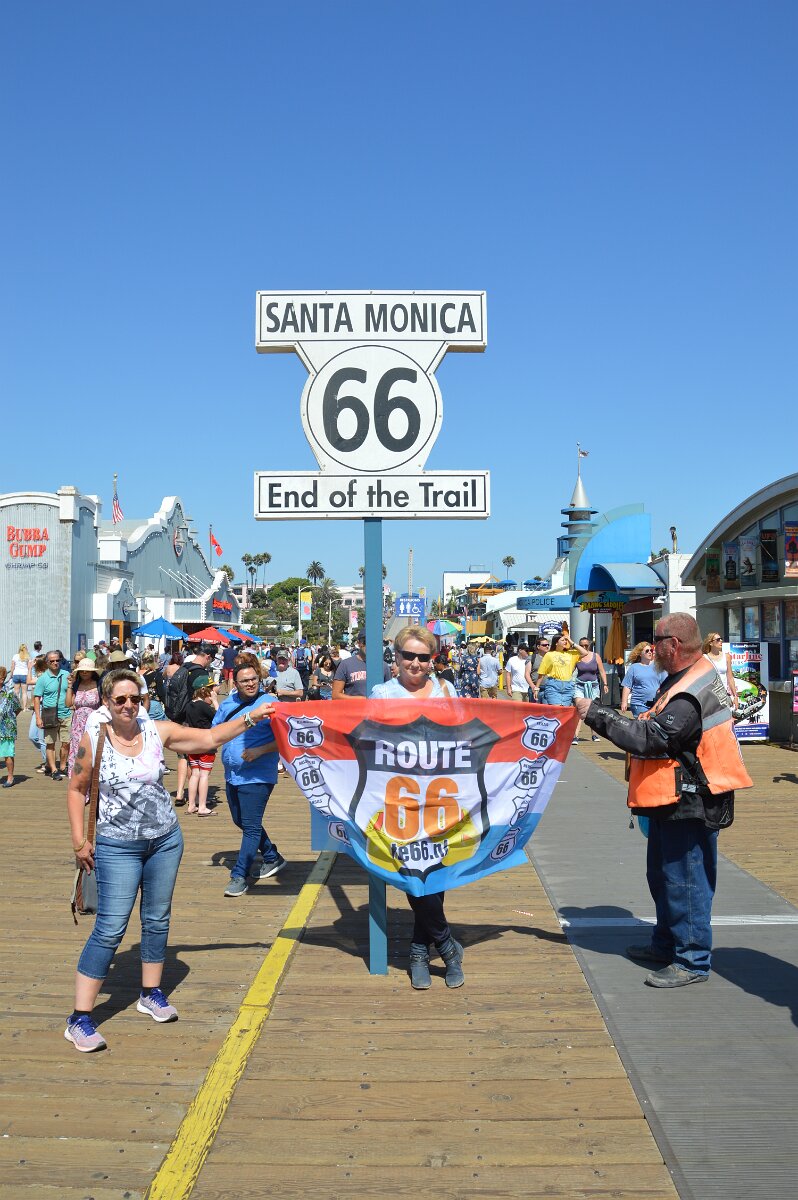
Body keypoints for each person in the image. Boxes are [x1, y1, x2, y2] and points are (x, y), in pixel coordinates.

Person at [65, 666, 274, 1051]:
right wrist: (80, 841)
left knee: (157, 918)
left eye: (135, 698)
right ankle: (80, 1017)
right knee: (110, 927)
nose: (128, 705)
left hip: (164, 840)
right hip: (117, 845)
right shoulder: (94, 738)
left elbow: (209, 737)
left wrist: (252, 718)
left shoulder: (156, 731)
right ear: (107, 702)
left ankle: (150, 993)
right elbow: (77, 789)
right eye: (120, 699)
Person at [575, 613, 752, 987]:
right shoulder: (686, 677)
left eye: (656, 640)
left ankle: (692, 960)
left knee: (685, 881)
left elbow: (652, 737)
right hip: (673, 797)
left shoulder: (691, 691)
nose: (651, 647)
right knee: (663, 876)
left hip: (691, 801)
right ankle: (666, 943)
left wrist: (596, 714)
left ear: (674, 645)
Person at [371, 625, 464, 990]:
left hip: (441, 795)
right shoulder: (383, 694)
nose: (415, 663)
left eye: (423, 657)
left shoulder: (446, 690)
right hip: (400, 799)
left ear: (432, 660)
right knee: (414, 871)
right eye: (408, 655)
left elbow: (462, 734)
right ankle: (446, 945)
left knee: (434, 872)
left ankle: (419, 950)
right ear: (396, 657)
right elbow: (367, 739)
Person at [213, 656, 285, 897]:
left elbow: (287, 738)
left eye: (254, 679)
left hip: (258, 774)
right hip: (233, 774)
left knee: (251, 827)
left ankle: (239, 875)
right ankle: (272, 856)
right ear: (235, 684)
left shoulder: (270, 704)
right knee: (240, 820)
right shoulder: (228, 704)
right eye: (245, 681)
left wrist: (261, 750)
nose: (251, 683)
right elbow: (216, 731)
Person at [32, 650, 71, 780]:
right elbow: (36, 698)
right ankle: (54, 769)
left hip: (66, 713)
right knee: (50, 743)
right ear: (47, 662)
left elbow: (71, 691)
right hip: (49, 714)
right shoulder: (43, 679)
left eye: (57, 660)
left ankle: (63, 766)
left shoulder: (66, 675)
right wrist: (38, 717)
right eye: (52, 661)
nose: (55, 663)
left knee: (66, 742)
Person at [534, 633, 591, 720]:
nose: (565, 642)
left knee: (564, 714)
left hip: (568, 686)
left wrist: (571, 642)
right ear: (556, 643)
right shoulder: (549, 655)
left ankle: (561, 729)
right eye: (563, 640)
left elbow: (585, 652)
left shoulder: (571, 654)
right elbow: (541, 673)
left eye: (566, 640)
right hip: (554, 686)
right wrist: (536, 688)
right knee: (556, 713)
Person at [183, 676, 219, 815]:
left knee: (195, 774)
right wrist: (215, 701)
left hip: (193, 744)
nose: (212, 691)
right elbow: (219, 718)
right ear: (204, 690)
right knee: (204, 775)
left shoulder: (189, 705)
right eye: (210, 688)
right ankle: (202, 806)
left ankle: (192, 805)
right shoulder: (203, 706)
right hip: (206, 743)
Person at [65, 659, 102, 778]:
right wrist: (70, 686)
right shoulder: (76, 685)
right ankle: (76, 776)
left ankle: (92, 777)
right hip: (77, 724)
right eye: (82, 671)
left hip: (94, 722)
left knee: (92, 748)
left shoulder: (99, 684)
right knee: (77, 748)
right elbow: (68, 703)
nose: (84, 673)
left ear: (92, 672)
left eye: (87, 670)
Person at [332, 632, 390, 698]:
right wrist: (361, 700)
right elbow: (335, 696)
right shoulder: (345, 664)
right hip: (354, 704)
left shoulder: (383, 666)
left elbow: (389, 694)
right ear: (358, 643)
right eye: (365, 642)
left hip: (377, 704)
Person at [573, 638, 608, 742]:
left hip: (593, 686)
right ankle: (575, 736)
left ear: (589, 645)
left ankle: (594, 734)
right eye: (582, 645)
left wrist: (605, 684)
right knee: (580, 709)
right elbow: (570, 670)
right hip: (579, 685)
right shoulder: (576, 656)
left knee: (593, 710)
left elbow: (602, 671)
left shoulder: (595, 656)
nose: (584, 647)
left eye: (586, 645)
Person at [621, 643, 660, 716]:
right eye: (647, 651)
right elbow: (627, 686)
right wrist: (624, 702)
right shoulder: (634, 668)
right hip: (639, 704)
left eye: (651, 650)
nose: (650, 652)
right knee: (642, 722)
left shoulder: (658, 666)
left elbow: (665, 682)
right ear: (640, 654)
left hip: (656, 704)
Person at [0, 668, 22, 787]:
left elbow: (18, 708)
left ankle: (10, 777)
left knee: (8, 753)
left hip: (6, 729)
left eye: (2, 678)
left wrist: (9, 719)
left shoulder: (9, 692)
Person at [702, 632, 737, 704]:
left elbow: (730, 678)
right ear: (711, 643)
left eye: (721, 639)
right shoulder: (704, 658)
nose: (721, 641)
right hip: (710, 696)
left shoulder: (727, 656)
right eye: (718, 640)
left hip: (723, 695)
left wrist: (735, 697)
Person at [10, 644, 30, 710]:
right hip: (24, 674)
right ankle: (25, 708)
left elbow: (12, 666)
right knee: (24, 692)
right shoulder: (27, 656)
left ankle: (16, 707)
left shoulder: (15, 656)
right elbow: (29, 667)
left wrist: (11, 674)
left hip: (16, 674)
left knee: (16, 692)